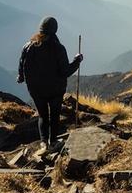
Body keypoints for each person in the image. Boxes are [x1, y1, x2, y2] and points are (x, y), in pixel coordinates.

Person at [17, 17, 83, 153]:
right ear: (55, 30)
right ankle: (53, 142)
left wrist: (21, 77)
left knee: (42, 115)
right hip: (55, 90)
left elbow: (21, 64)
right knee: (54, 116)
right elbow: (65, 71)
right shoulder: (58, 48)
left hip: (36, 90)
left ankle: (43, 143)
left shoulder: (28, 46)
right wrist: (77, 61)